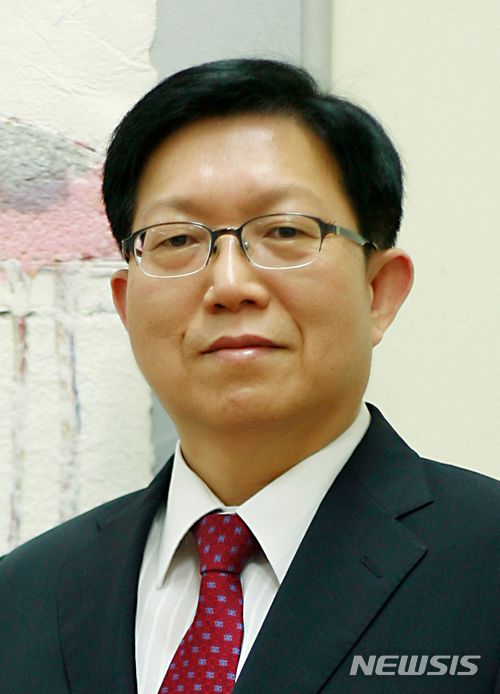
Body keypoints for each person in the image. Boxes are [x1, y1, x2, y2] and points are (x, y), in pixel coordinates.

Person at [0, 58, 498, 694]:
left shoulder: (485, 563)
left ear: (378, 292)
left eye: (285, 230)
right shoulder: (22, 597)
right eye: (177, 240)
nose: (230, 285)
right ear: (125, 306)